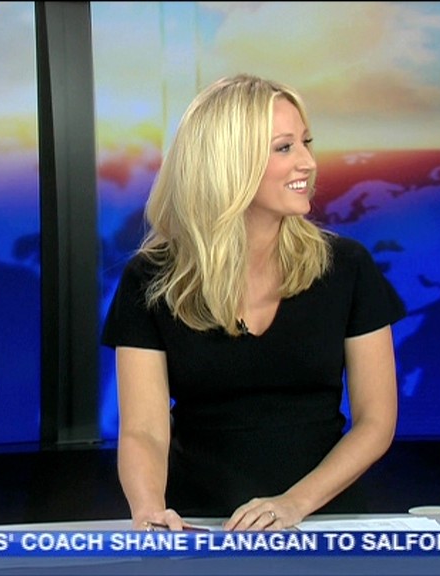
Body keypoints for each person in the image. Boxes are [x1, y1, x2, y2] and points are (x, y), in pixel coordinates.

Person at [101, 74, 405, 531]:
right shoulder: (153, 279)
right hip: (202, 527)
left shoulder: (347, 267)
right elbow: (144, 431)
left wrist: (294, 504)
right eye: (284, 148)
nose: (307, 162)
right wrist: (148, 511)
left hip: (321, 525)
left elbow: (376, 421)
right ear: (229, 162)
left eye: (306, 142)